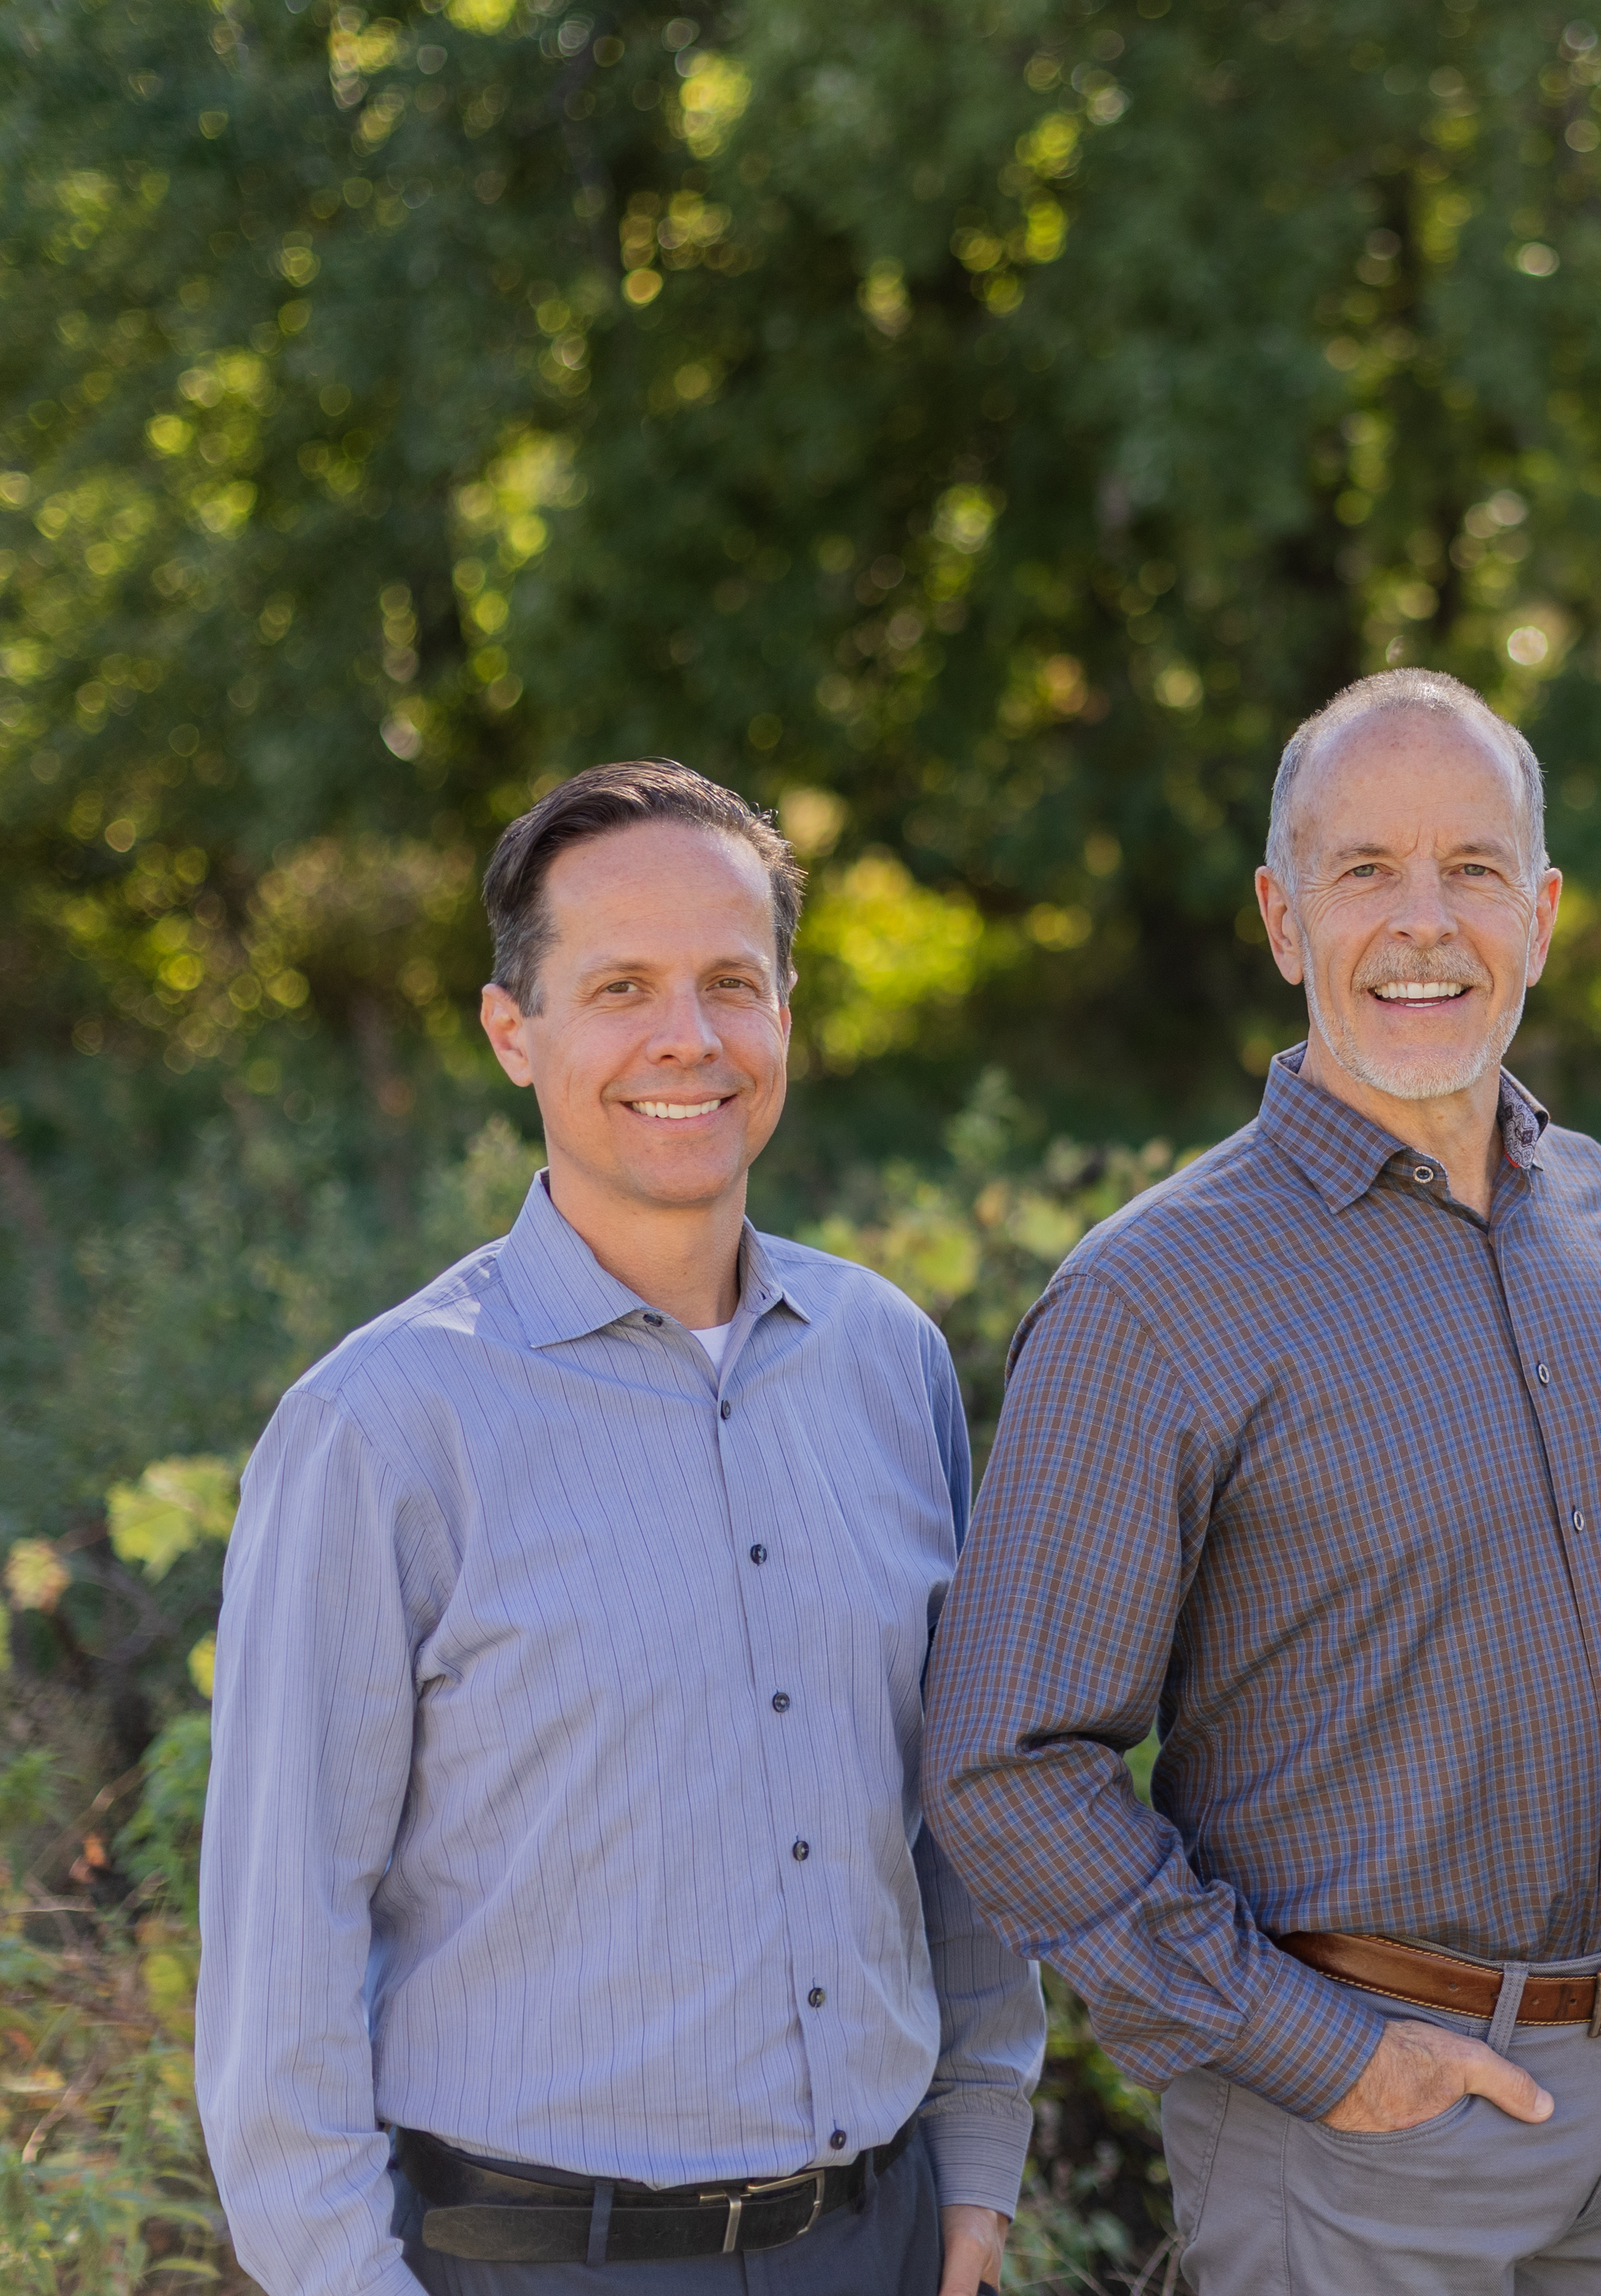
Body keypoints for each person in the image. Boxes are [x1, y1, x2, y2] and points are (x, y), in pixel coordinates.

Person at [921, 668, 1601, 2296]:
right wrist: (1324, 2057)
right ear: (1284, 919)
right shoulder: (1156, 1296)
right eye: (1366, 872)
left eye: (1473, 869)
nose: (1423, 925)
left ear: (1545, 911)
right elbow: (1007, 1766)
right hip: (1353, 2153)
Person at [197, 761, 1042, 2296]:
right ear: (514, 1029)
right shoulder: (381, 1427)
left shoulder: (888, 1361)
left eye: (733, 980)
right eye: (622, 985)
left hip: (883, 2237)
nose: (688, 1036)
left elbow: (956, 1811)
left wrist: (976, 2159)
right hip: (532, 2258)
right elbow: (282, 1942)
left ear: (789, 1012)